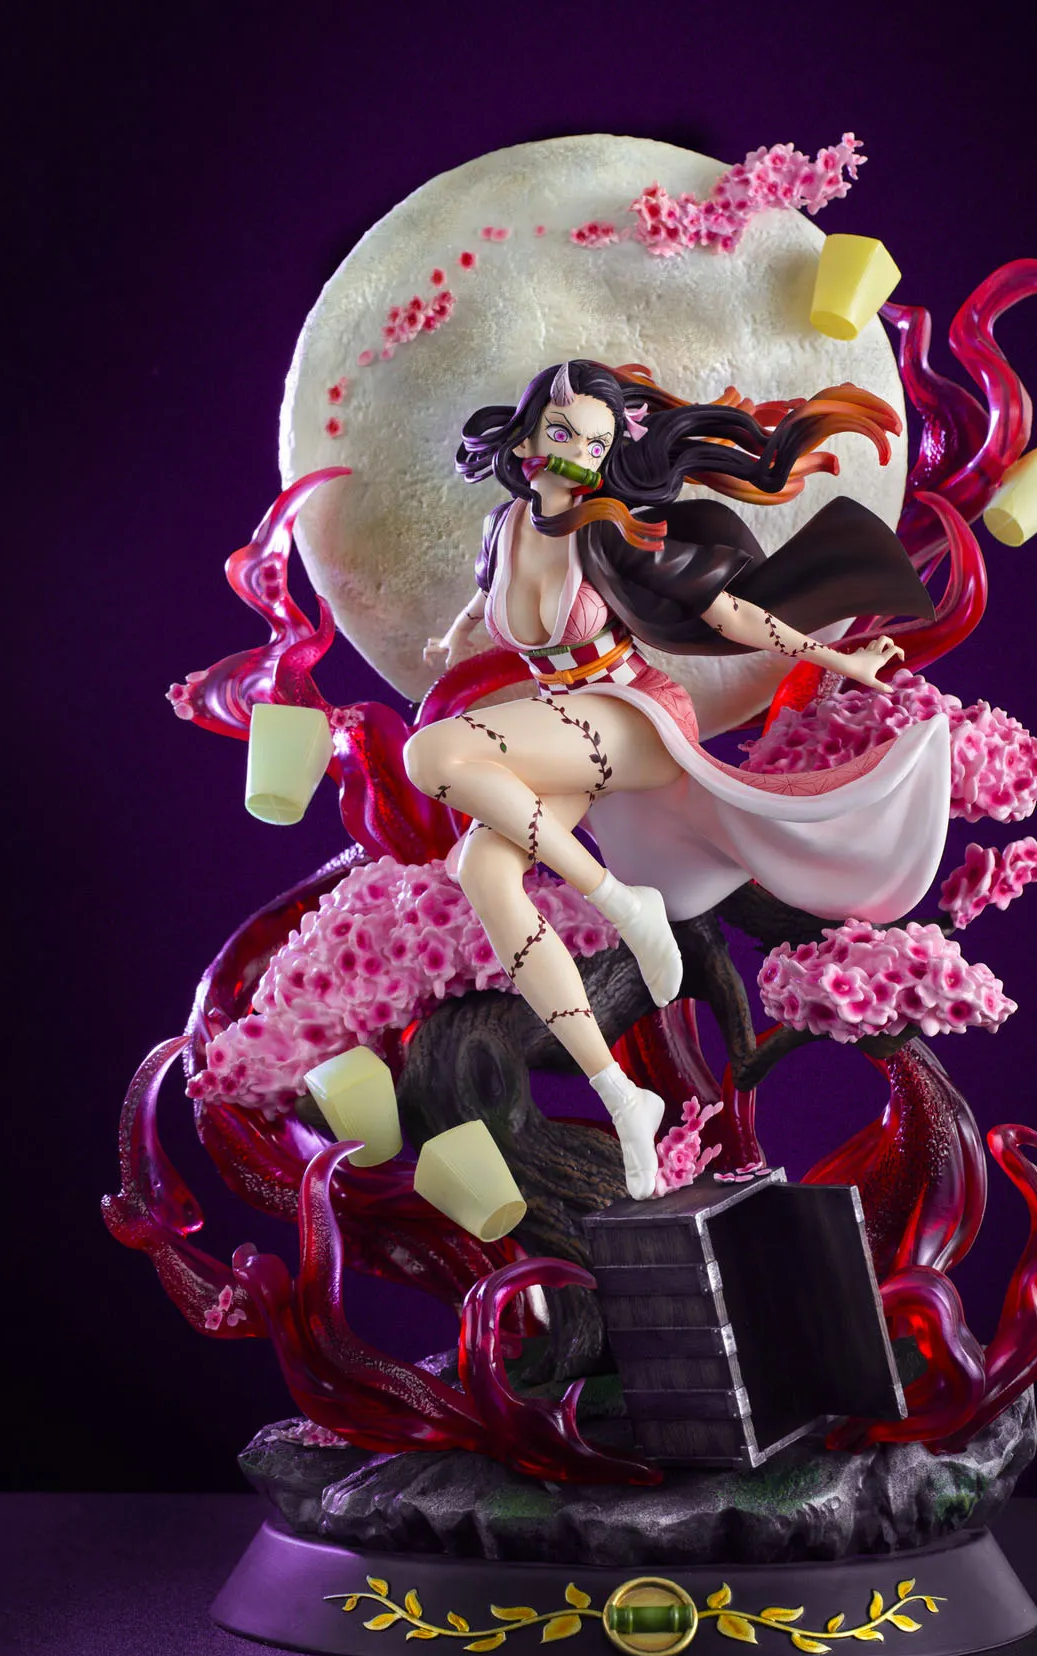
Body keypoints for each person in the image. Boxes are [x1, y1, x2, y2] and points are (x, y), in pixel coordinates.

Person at [404, 360, 951, 1199]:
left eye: (594, 443)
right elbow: (486, 600)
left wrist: (840, 658)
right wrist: (451, 640)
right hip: (562, 722)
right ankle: (623, 1099)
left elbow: (727, 611)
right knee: (483, 869)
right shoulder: (505, 524)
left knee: (431, 756)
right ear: (530, 433)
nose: (575, 453)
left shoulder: (608, 530)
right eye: (561, 432)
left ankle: (621, 901)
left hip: (632, 711)